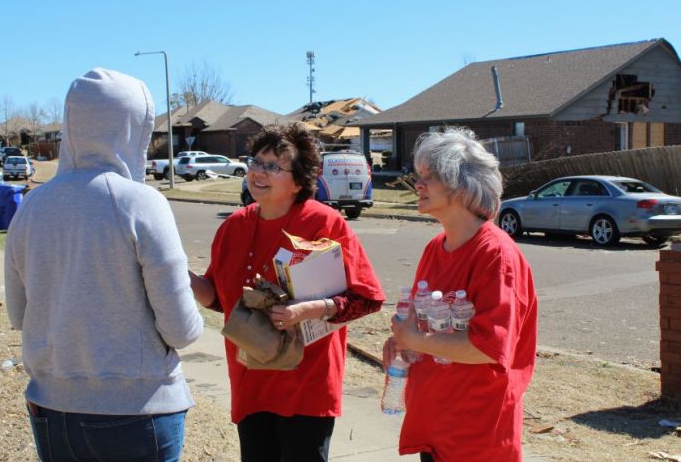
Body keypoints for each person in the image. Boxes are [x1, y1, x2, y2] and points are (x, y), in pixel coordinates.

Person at [4, 68, 203, 462]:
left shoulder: (32, 206)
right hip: (137, 410)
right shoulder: (140, 202)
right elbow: (182, 329)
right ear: (133, 129)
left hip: (52, 407)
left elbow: (17, 313)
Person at [190, 124, 385, 462]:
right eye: (256, 162)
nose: (258, 172)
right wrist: (177, 271)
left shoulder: (325, 223)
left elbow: (366, 298)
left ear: (298, 181)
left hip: (306, 384)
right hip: (251, 379)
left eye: (273, 166)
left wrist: (311, 309)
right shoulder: (233, 227)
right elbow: (219, 299)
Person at [383, 127, 538, 461]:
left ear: (461, 184)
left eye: (429, 176)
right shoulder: (434, 248)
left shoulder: (496, 254)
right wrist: (402, 346)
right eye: (419, 176)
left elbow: (488, 348)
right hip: (435, 425)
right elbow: (424, 328)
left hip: (476, 436)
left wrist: (415, 341)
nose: (418, 185)